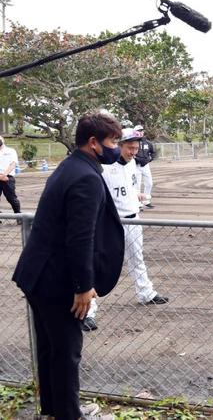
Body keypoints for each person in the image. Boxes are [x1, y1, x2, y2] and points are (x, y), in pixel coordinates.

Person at [12, 112, 125, 419]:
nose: (117, 146)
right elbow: (80, 238)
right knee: (66, 353)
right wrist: (83, 287)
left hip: (38, 275)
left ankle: (54, 409)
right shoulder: (86, 177)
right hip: (56, 281)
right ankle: (68, 415)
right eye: (113, 140)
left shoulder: (70, 166)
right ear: (93, 142)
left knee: (51, 349)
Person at [84, 128, 169, 331]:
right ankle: (89, 311)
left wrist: (136, 196)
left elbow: (129, 187)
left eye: (135, 147)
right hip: (111, 222)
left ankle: (145, 293)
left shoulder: (132, 164)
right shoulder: (105, 167)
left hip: (133, 219)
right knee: (97, 263)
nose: (133, 152)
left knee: (137, 257)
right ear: (119, 146)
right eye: (129, 147)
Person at [134, 125, 156, 209]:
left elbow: (153, 153)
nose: (141, 132)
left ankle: (146, 200)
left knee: (149, 183)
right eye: (139, 131)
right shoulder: (134, 143)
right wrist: (136, 159)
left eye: (141, 130)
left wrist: (149, 159)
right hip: (136, 166)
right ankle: (138, 203)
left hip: (146, 165)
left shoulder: (148, 143)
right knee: (137, 184)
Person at [0, 135, 21, 219]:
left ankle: (18, 216)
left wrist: (4, 175)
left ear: (3, 140)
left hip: (8, 178)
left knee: (11, 198)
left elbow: (13, 164)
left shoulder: (11, 151)